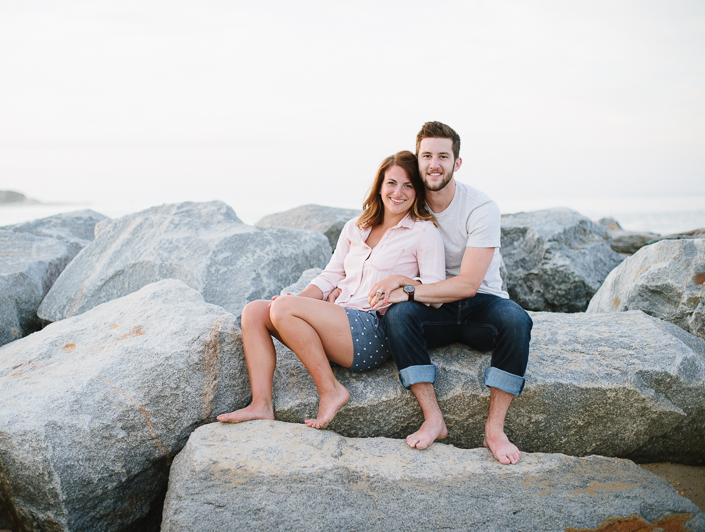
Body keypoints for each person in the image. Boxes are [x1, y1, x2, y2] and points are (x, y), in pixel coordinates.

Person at [217, 151, 445, 429]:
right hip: (338, 319)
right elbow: (330, 276)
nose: (399, 192)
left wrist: (399, 280)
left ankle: (331, 391)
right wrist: (296, 300)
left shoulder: (423, 231)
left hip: (371, 330)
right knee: (255, 312)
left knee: (283, 308)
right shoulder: (355, 227)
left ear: (418, 191)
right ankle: (261, 405)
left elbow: (435, 293)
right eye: (392, 183)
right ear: (380, 186)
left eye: (408, 185)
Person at [371, 121, 532, 464]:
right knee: (398, 317)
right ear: (418, 159)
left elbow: (469, 284)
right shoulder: (410, 202)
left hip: (480, 305)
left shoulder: (480, 207)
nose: (434, 164)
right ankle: (433, 418)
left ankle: (495, 429)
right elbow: (373, 240)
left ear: (456, 163)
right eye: (426, 155)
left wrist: (410, 290)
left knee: (517, 320)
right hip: (435, 311)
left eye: (443, 156)